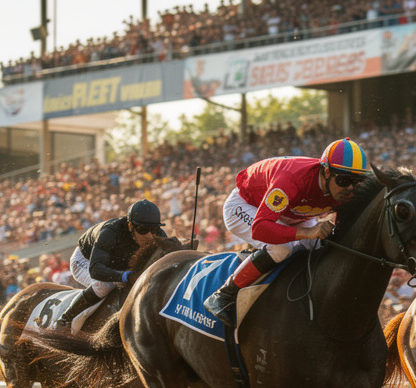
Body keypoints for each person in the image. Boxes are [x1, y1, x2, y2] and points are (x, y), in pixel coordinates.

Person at [203, 138, 372, 326]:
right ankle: (224, 295)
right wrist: (306, 233)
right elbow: (261, 227)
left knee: (323, 246)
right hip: (247, 205)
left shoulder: (346, 190)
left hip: (294, 211)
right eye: (344, 180)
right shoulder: (291, 178)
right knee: (281, 248)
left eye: (356, 182)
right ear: (326, 172)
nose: (350, 189)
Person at [57, 200, 165, 328]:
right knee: (105, 284)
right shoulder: (110, 232)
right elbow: (95, 270)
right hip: (85, 261)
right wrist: (123, 276)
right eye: (143, 230)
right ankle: (64, 319)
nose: (149, 236)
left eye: (154, 229)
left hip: (116, 263)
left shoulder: (157, 234)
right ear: (130, 225)